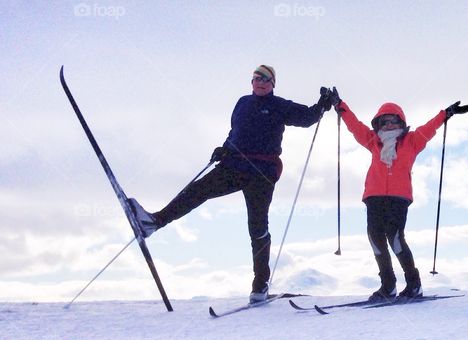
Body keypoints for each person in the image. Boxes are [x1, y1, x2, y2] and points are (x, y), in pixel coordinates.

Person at [128, 65, 334, 302]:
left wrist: (322, 104)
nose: (260, 81)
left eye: (266, 79)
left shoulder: (279, 105)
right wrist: (224, 148)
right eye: (257, 77)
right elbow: (235, 132)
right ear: (251, 81)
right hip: (234, 164)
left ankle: (260, 286)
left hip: (262, 172)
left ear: (273, 84)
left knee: (257, 226)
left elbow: (307, 118)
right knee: (197, 190)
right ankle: (153, 222)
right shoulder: (242, 103)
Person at [329, 88, 468, 301]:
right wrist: (339, 104)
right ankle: (388, 286)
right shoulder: (372, 141)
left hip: (398, 198)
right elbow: (355, 126)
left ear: (401, 123)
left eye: (393, 121)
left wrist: (446, 113)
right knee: (376, 239)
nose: (388, 125)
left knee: (395, 238)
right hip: (374, 197)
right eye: (384, 122)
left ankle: (414, 285)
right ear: (378, 124)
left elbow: (430, 127)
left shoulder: (413, 141)